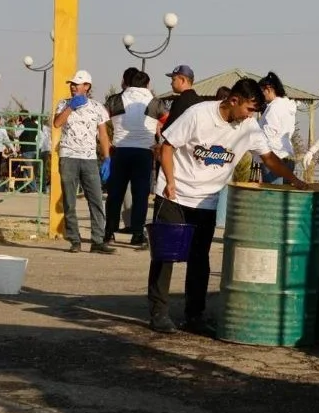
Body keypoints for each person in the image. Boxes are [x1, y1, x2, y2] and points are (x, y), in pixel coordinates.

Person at [148, 78, 307, 335]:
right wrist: (170, 182)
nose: (250, 116)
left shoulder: (249, 127)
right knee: (166, 255)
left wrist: (295, 181)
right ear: (234, 100)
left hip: (207, 200)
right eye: (248, 109)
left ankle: (195, 314)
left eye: (255, 112)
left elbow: (268, 158)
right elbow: (167, 147)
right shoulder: (198, 115)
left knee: (199, 259)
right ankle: (158, 313)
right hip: (174, 194)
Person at [52, 70, 116, 254]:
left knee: (96, 199)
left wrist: (107, 157)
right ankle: (74, 240)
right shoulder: (64, 104)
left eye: (77, 84)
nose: (73, 86)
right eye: (71, 84)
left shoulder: (97, 107)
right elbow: (57, 123)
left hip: (89, 158)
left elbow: (103, 134)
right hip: (69, 156)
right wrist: (70, 107)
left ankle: (97, 241)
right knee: (69, 201)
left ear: (87, 86)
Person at [104, 69, 161, 247]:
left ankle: (108, 232)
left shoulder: (114, 100)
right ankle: (137, 233)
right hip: (144, 152)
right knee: (140, 195)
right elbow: (165, 121)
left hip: (120, 151)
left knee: (115, 194)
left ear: (127, 82)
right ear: (148, 84)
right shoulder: (155, 102)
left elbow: (101, 121)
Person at [257, 71, 298, 185]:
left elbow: (270, 131)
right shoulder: (287, 106)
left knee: (273, 197)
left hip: (273, 157)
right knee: (282, 196)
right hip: (286, 154)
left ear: (268, 89)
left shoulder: (274, 107)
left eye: (261, 92)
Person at [160, 64, 207, 130]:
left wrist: (161, 129)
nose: (171, 83)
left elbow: (169, 129)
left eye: (173, 80)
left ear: (182, 80)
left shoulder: (180, 102)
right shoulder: (201, 101)